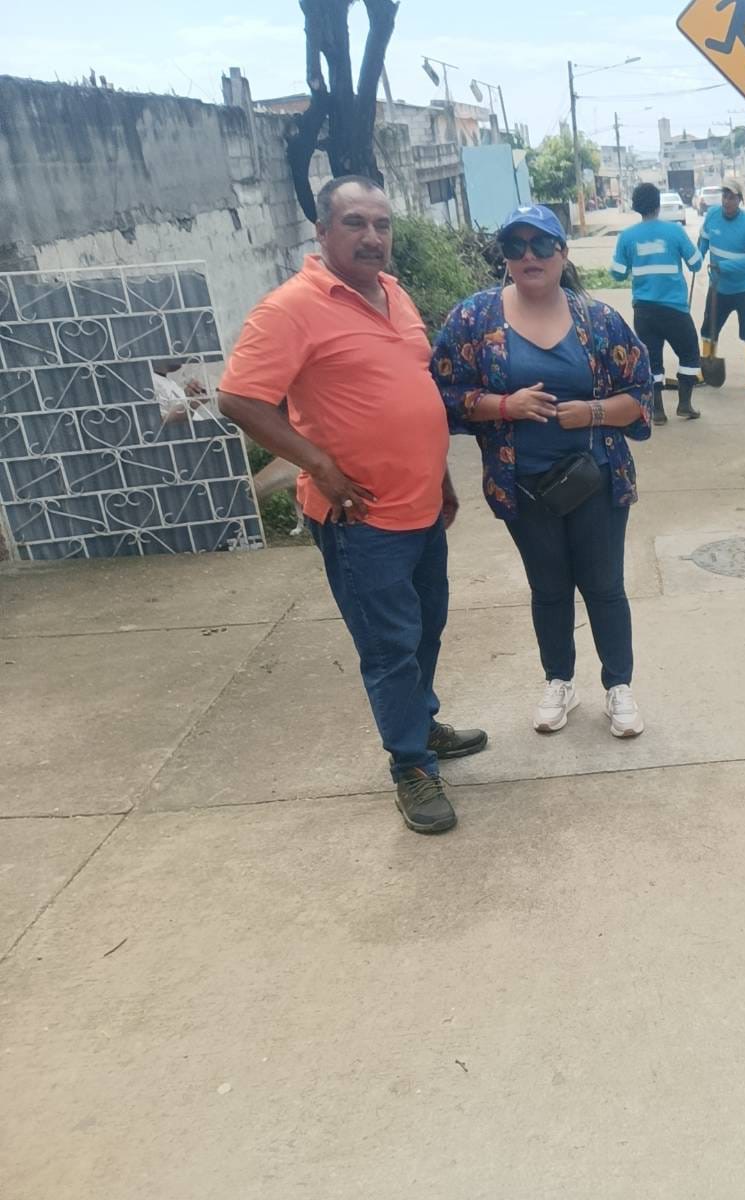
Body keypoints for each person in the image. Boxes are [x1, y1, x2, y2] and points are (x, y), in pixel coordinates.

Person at [218, 175, 485, 837]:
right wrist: (319, 464)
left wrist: (441, 475)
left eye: (381, 224)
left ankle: (420, 723)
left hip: (422, 505)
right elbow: (239, 398)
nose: (372, 237)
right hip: (360, 518)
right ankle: (411, 766)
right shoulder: (291, 308)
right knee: (389, 645)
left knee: (425, 627)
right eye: (354, 223)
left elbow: (412, 392)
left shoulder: (394, 293)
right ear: (321, 231)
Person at [430, 204, 654, 740]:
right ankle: (559, 681)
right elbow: (442, 392)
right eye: (516, 246)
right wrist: (504, 406)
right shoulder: (473, 319)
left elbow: (640, 394)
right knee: (548, 587)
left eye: (542, 245)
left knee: (604, 585)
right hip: (522, 485)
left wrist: (592, 412)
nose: (529, 256)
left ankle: (618, 686)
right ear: (505, 256)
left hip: (596, 479)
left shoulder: (599, 321)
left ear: (563, 253)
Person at [611, 181, 704, 425]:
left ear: (635, 206)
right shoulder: (674, 231)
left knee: (652, 359)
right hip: (674, 309)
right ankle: (685, 404)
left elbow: (617, 273)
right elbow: (696, 263)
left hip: (643, 310)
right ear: (658, 204)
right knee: (690, 353)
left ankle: (658, 411)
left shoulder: (627, 237)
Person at [698, 177, 745, 392]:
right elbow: (704, 240)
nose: (726, 201)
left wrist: (724, 266)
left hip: (743, 289)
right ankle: (705, 368)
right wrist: (698, 257)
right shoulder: (712, 215)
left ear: (740, 200)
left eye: (731, 197)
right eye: (724, 196)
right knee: (709, 328)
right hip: (718, 288)